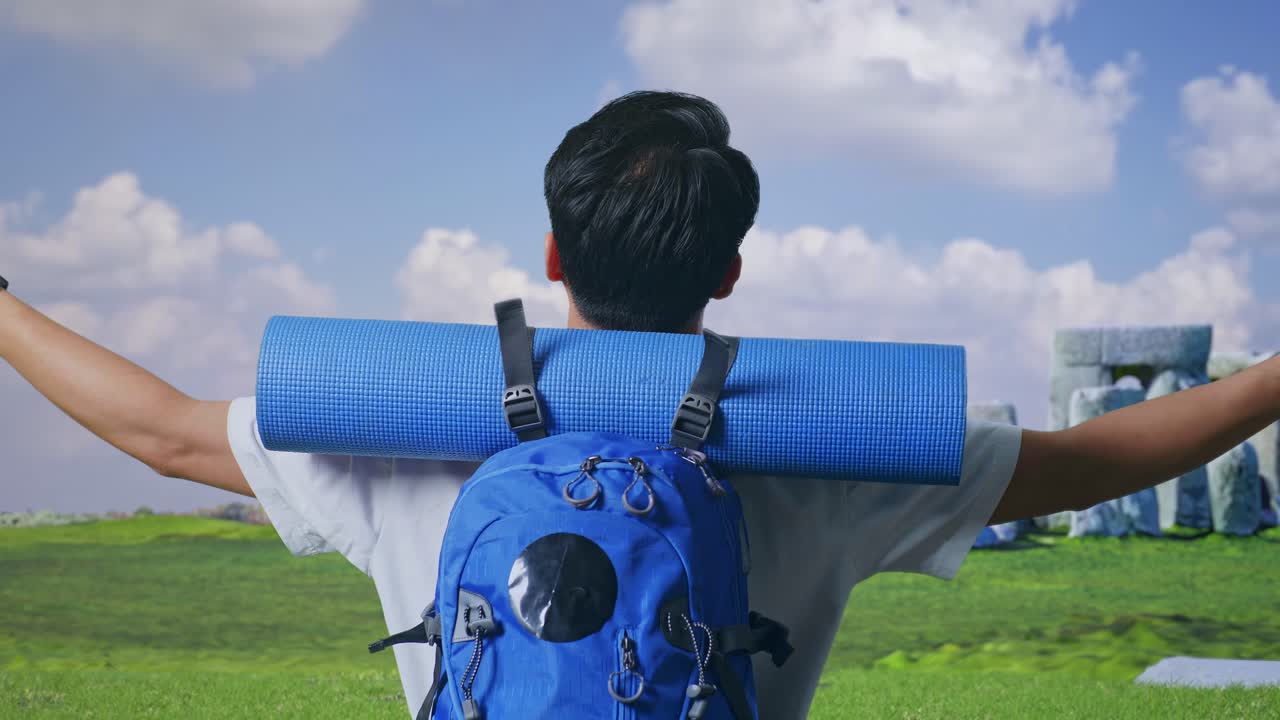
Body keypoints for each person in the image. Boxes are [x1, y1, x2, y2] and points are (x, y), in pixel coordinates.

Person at [2, 90, 1277, 720]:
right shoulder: (824, 442)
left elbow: (159, 430)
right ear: (728, 272)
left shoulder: (410, 432)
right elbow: (1090, 461)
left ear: (551, 258)